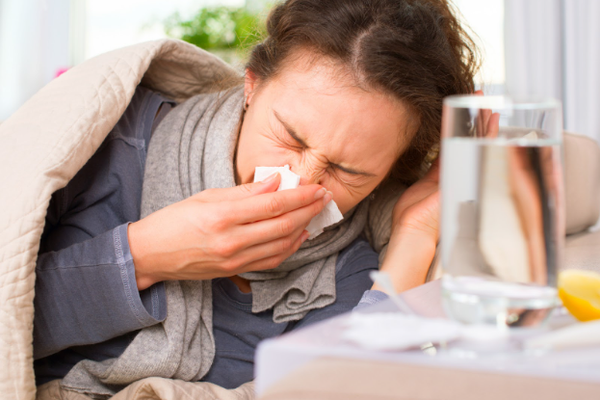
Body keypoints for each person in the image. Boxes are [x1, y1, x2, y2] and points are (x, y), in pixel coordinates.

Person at [33, 0, 480, 396]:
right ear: (251, 86)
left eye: (348, 171)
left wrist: (415, 234)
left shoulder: (353, 261)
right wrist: (146, 254)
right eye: (291, 137)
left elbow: (341, 386)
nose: (302, 183)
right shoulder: (108, 145)